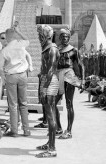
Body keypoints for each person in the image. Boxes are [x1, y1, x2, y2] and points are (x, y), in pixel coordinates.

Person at [0, 22, 32, 137]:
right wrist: (18, 31)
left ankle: (14, 130)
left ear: (7, 37)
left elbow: (0, 68)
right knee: (24, 103)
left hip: (11, 76)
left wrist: (3, 79)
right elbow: (28, 40)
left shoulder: (4, 50)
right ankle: (26, 130)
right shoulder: (21, 45)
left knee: (13, 104)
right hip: (23, 75)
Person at [55, 28, 85, 140]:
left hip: (69, 76)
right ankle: (58, 128)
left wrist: (82, 80)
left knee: (69, 104)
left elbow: (81, 65)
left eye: (67, 36)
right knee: (52, 104)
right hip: (59, 76)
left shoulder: (74, 50)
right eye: (62, 37)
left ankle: (69, 130)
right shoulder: (57, 50)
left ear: (69, 37)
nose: (65, 38)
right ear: (60, 38)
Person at [35, 25, 59, 158]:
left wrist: (44, 88)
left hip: (50, 83)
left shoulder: (52, 49)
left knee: (50, 115)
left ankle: (52, 148)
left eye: (41, 35)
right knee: (50, 113)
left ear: (47, 35)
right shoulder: (47, 48)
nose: (39, 38)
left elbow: (51, 70)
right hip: (46, 80)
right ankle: (50, 142)